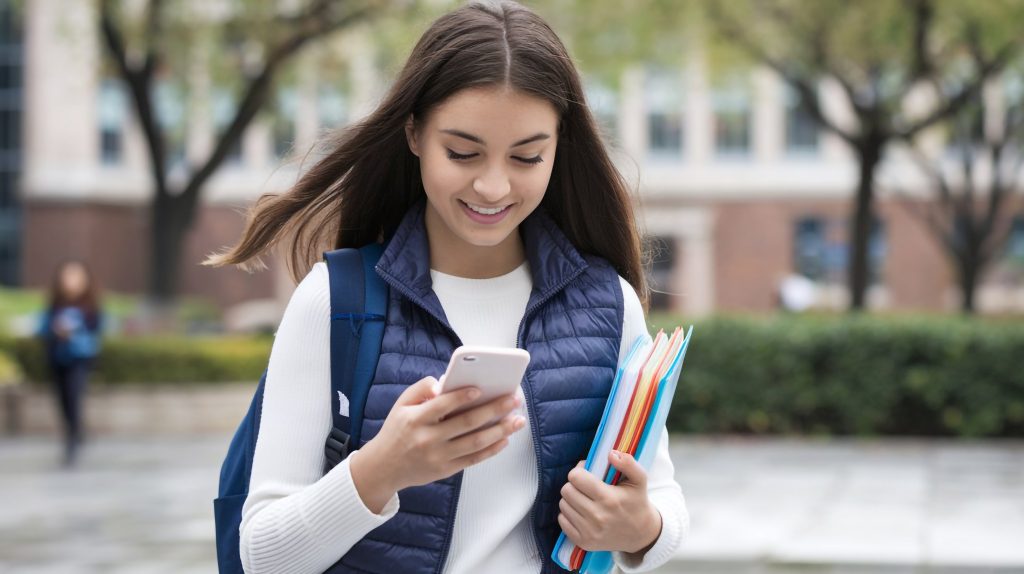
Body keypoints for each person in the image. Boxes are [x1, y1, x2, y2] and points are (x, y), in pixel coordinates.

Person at [208, 1, 688, 572]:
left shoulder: (608, 302)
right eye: (462, 153)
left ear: (560, 147)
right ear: (413, 133)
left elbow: (661, 497)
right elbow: (260, 553)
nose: (492, 185)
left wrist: (641, 528)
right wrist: (381, 470)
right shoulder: (334, 300)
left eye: (527, 156)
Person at [37, 259, 103, 467]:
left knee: (74, 396)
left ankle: (73, 439)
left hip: (79, 359)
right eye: (67, 276)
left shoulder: (90, 306)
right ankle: (73, 431)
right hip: (57, 358)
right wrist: (55, 330)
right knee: (63, 399)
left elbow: (98, 331)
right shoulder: (54, 305)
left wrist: (75, 333)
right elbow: (42, 327)